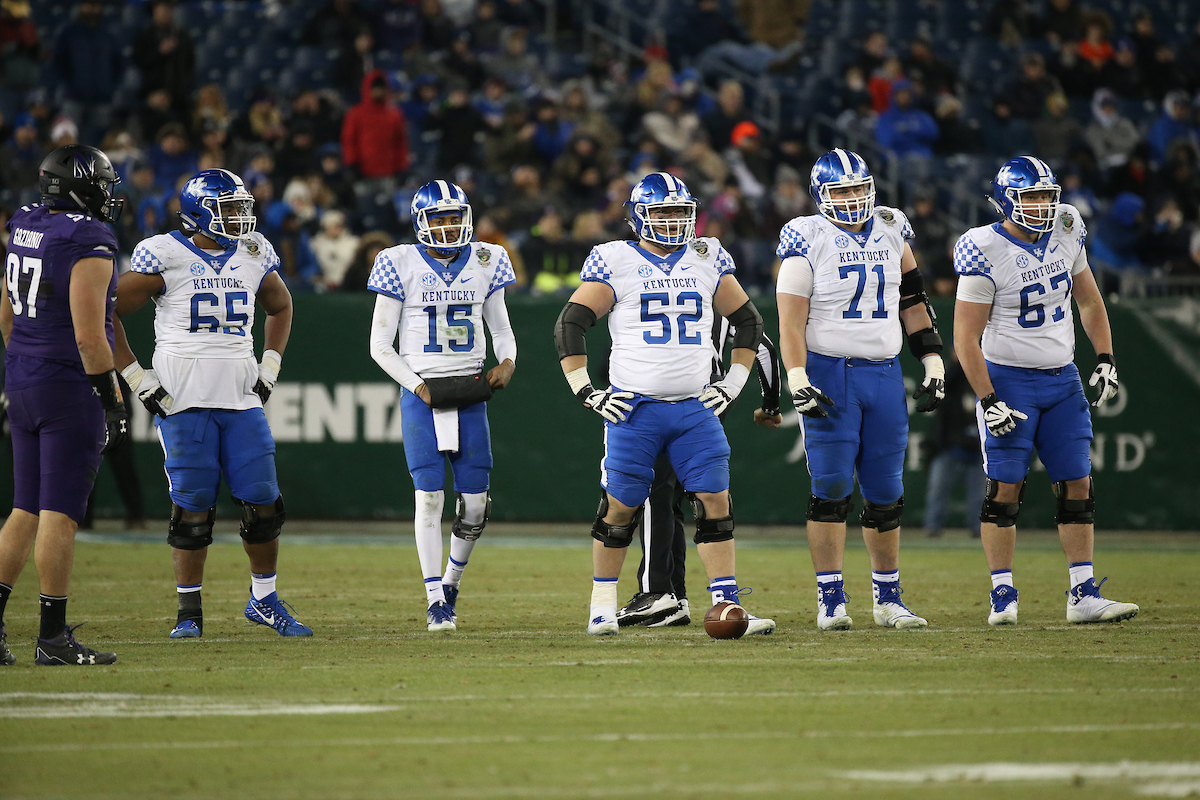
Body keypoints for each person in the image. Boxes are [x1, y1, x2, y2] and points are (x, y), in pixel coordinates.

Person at [553, 172, 772, 636]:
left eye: (680, 212)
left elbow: (748, 322)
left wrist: (733, 384)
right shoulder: (615, 259)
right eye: (663, 213)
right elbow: (570, 324)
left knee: (715, 498)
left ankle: (727, 603)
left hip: (695, 407)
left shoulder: (706, 255)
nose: (673, 222)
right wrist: (585, 389)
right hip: (636, 409)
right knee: (620, 505)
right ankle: (601, 606)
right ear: (637, 217)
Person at [113, 169, 311, 640]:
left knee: (264, 503)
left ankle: (263, 601)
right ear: (200, 211)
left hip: (242, 399)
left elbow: (280, 306)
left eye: (244, 207)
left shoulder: (253, 250)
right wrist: (137, 377)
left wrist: (271, 365)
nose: (241, 217)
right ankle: (189, 613)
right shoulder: (164, 253)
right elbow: (105, 313)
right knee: (193, 508)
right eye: (230, 209)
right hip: (183, 401)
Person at [952, 155, 1138, 626]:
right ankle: (1002, 593)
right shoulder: (982, 248)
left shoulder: (1068, 228)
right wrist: (988, 398)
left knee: (1078, 483)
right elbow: (965, 338)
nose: (1041, 206)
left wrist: (1106, 358)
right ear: (1005, 201)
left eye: (1046, 196)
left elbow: (1090, 299)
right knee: (1004, 489)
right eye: (1030, 197)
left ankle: (1082, 592)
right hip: (1009, 378)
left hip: (1062, 378)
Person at [776, 148, 946, 631]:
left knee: (887, 490)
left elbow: (913, 300)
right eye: (842, 191)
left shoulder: (893, 227)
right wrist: (797, 375)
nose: (853, 199)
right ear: (821, 196)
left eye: (859, 189)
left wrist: (932, 359)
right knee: (831, 488)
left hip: (885, 372)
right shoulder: (807, 236)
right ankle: (831, 597)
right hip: (831, 373)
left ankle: (887, 598)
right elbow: (790, 322)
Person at [367, 180, 517, 632]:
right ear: (421, 222)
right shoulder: (398, 262)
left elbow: (502, 329)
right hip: (423, 389)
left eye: (456, 217)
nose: (449, 226)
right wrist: (417, 386)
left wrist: (509, 361)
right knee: (429, 497)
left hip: (469, 387)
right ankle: (435, 599)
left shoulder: (489, 259)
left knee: (474, 504)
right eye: (440, 218)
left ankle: (452, 581)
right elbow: (379, 345)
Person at [0, 144, 128, 666]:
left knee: (25, 509)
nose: (108, 193)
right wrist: (111, 398)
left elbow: (6, 312)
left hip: (23, 375)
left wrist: (24, 363)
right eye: (102, 183)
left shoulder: (26, 222)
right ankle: (52, 636)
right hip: (66, 383)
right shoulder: (88, 237)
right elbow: (90, 338)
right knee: (60, 514)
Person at [617, 319, 783, 632]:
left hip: (673, 397)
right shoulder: (717, 294)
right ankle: (676, 598)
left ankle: (658, 593)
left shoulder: (667, 286)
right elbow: (764, 347)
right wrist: (770, 404)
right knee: (680, 495)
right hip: (712, 398)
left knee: (657, 491)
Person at [921, 353, 984, 538]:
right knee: (938, 489)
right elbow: (945, 382)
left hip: (977, 446)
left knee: (979, 494)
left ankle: (978, 529)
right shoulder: (950, 376)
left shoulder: (984, 374)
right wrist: (961, 360)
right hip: (949, 445)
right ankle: (932, 527)